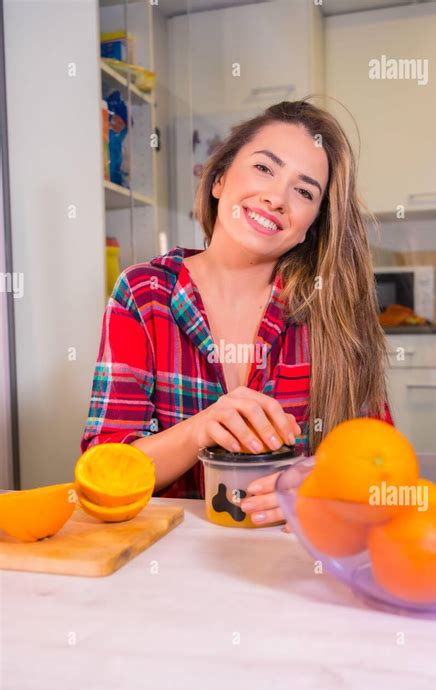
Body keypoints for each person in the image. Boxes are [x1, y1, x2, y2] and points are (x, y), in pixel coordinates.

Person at [80, 97, 393, 528]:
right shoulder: (144, 293)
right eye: (264, 168)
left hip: (290, 567)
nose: (276, 197)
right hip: (165, 566)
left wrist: (327, 486)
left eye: (304, 191)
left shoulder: (333, 312)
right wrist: (200, 429)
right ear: (220, 179)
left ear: (311, 226)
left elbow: (384, 470)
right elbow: (102, 477)